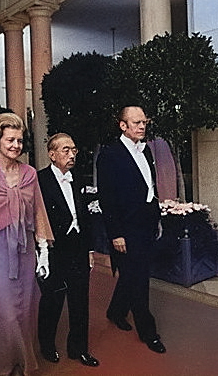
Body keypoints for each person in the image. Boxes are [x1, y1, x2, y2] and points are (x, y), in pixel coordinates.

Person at [0, 113, 54, 376]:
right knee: (4, 312)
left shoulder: (30, 174)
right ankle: (1, 364)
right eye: (10, 140)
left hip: (25, 250)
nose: (16, 145)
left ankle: (24, 361)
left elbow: (38, 211)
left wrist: (44, 252)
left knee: (26, 309)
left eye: (19, 140)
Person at [96, 105, 166, 354]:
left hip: (146, 223)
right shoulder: (110, 155)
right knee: (139, 280)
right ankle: (149, 333)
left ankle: (115, 311)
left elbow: (150, 188)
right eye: (135, 122)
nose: (141, 126)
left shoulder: (145, 151)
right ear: (122, 126)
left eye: (144, 122)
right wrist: (116, 233)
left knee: (133, 273)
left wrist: (155, 217)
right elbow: (107, 199)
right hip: (126, 228)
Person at [36, 133, 99, 367]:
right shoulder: (40, 180)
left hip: (79, 248)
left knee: (80, 300)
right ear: (52, 154)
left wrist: (90, 250)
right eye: (65, 150)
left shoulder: (78, 179)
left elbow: (86, 217)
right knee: (52, 299)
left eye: (74, 150)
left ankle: (79, 349)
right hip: (54, 249)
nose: (71, 154)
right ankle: (47, 344)